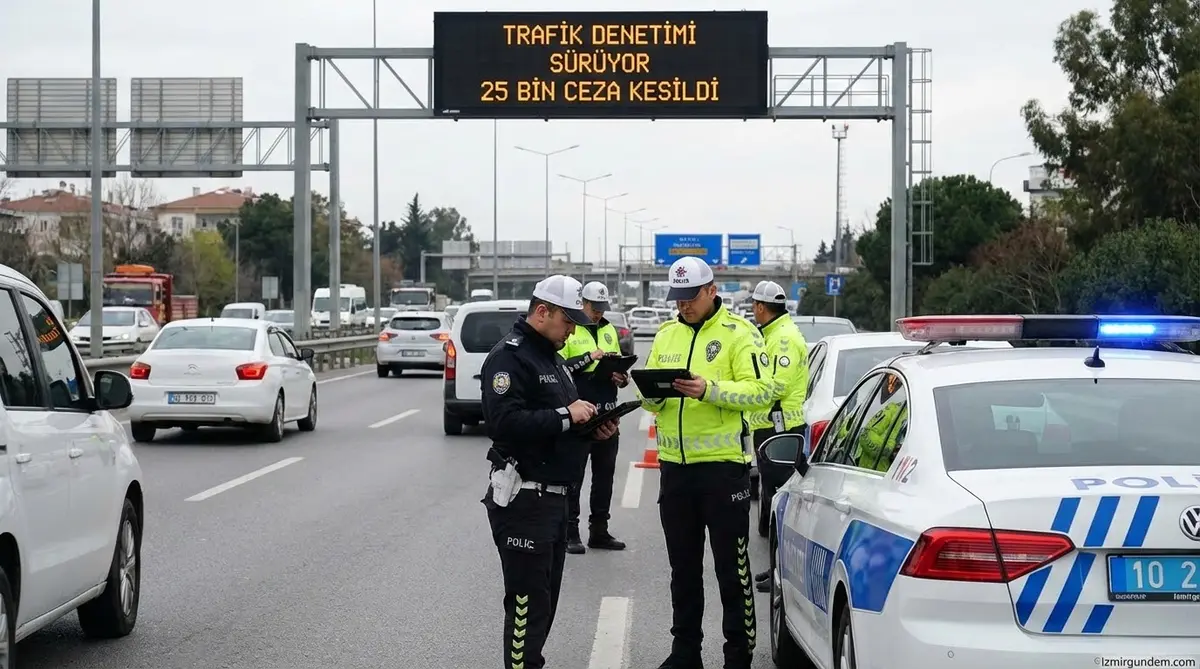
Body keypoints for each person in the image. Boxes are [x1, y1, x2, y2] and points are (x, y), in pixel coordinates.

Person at [638, 256, 773, 669]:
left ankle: (738, 655)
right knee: (683, 570)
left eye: (691, 297)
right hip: (675, 469)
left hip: (722, 471)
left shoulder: (739, 334)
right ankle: (685, 653)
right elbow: (650, 401)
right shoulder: (666, 334)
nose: (684, 305)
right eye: (678, 298)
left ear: (712, 291)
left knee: (732, 571)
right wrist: (651, 392)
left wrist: (709, 390)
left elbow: (761, 391)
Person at [480, 274, 620, 669]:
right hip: (524, 498)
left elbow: (561, 424)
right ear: (542, 312)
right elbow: (503, 422)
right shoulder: (510, 358)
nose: (573, 330)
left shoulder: (554, 359)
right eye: (568, 321)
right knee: (527, 607)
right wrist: (566, 414)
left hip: (555, 499)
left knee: (546, 603)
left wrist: (592, 430)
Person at [745, 280, 810, 592]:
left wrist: (742, 395)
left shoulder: (782, 339)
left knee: (780, 503)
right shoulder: (773, 334)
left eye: (753, 305)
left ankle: (782, 573)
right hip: (772, 427)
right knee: (773, 499)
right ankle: (776, 568)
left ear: (760, 307)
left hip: (780, 428)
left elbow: (777, 385)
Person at [559, 281, 629, 554]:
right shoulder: (569, 329)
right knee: (574, 476)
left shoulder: (609, 329)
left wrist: (622, 377)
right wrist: (590, 357)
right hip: (580, 415)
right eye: (593, 307)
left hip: (607, 413)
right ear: (582, 304)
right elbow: (560, 369)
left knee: (605, 476)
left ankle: (599, 530)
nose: (598, 312)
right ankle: (570, 532)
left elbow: (618, 367)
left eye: (602, 307)